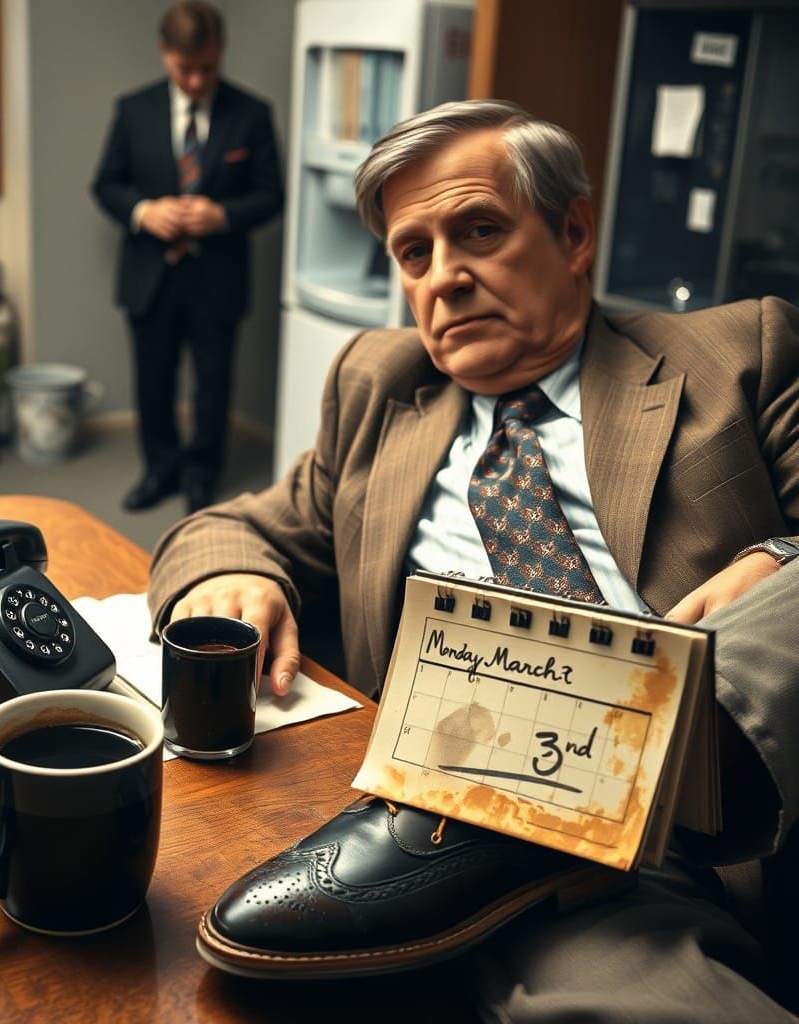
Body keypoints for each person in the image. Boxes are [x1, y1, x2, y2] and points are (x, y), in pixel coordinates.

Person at [148, 100, 799, 1019]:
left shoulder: (738, 355)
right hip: (474, 849)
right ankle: (530, 809)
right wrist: (231, 575)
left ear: (574, 233)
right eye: (414, 254)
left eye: (480, 232)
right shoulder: (380, 383)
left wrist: (779, 551)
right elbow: (236, 522)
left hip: (701, 832)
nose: (444, 279)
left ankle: (602, 769)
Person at [92, 1, 283, 515]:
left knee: (213, 382)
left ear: (220, 54)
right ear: (165, 54)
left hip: (217, 275)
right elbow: (105, 184)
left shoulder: (252, 113)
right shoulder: (133, 109)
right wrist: (142, 211)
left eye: (207, 68)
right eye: (185, 68)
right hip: (149, 274)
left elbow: (272, 195)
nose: (197, 80)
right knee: (151, 379)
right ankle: (158, 469)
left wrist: (221, 215)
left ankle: (202, 473)